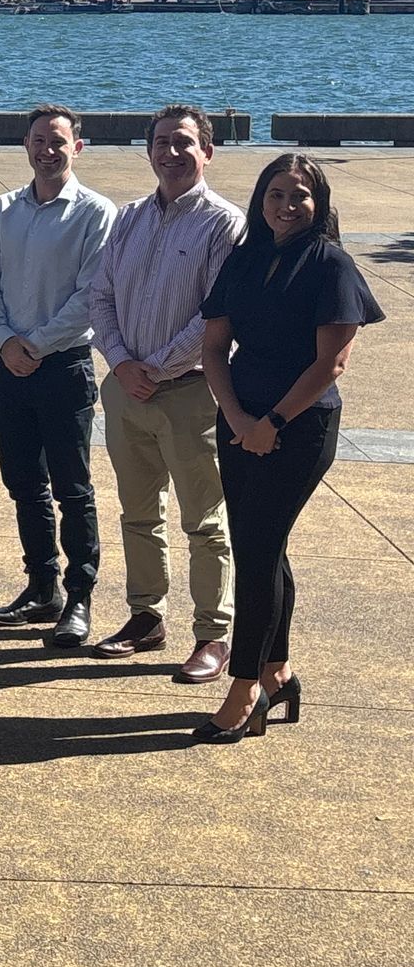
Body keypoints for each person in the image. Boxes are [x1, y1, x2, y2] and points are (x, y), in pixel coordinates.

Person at [194, 154, 382, 740]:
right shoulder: (245, 257)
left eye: (299, 196)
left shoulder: (332, 267)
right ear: (261, 199)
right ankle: (279, 674)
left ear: (319, 204)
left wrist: (271, 421)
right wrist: (236, 415)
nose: (286, 205)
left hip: (300, 429)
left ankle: (245, 685)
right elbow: (213, 348)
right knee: (261, 547)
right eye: (276, 194)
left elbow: (332, 364)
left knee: (257, 551)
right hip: (238, 420)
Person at [86, 104, 245, 683]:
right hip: (127, 390)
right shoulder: (127, 218)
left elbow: (215, 318)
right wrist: (123, 364)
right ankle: (145, 616)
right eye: (160, 142)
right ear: (148, 151)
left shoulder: (225, 224)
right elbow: (98, 297)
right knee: (136, 513)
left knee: (203, 520)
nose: (170, 153)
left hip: (190, 394)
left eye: (183, 143)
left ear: (207, 152)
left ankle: (213, 634)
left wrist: (151, 367)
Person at [0, 105, 117, 647]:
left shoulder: (96, 212)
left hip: (64, 366)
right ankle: (41, 587)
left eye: (58, 141)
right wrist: (6, 342)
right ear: (25, 146)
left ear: (77, 146)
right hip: (9, 366)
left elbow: (92, 295)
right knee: (24, 485)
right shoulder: (3, 210)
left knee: (73, 489)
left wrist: (35, 343)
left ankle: (79, 598)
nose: (47, 150)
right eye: (38, 140)